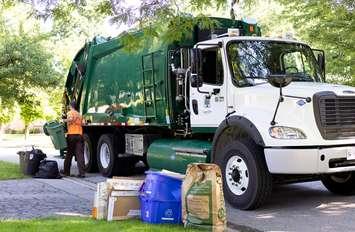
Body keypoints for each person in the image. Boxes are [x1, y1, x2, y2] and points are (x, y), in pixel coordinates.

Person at [62, 100, 85, 178]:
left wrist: (64, 120)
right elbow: (83, 123)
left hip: (72, 135)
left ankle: (66, 172)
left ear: (70, 106)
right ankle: (82, 173)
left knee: (69, 154)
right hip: (79, 135)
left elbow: (71, 119)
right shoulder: (79, 114)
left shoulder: (70, 113)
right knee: (80, 154)